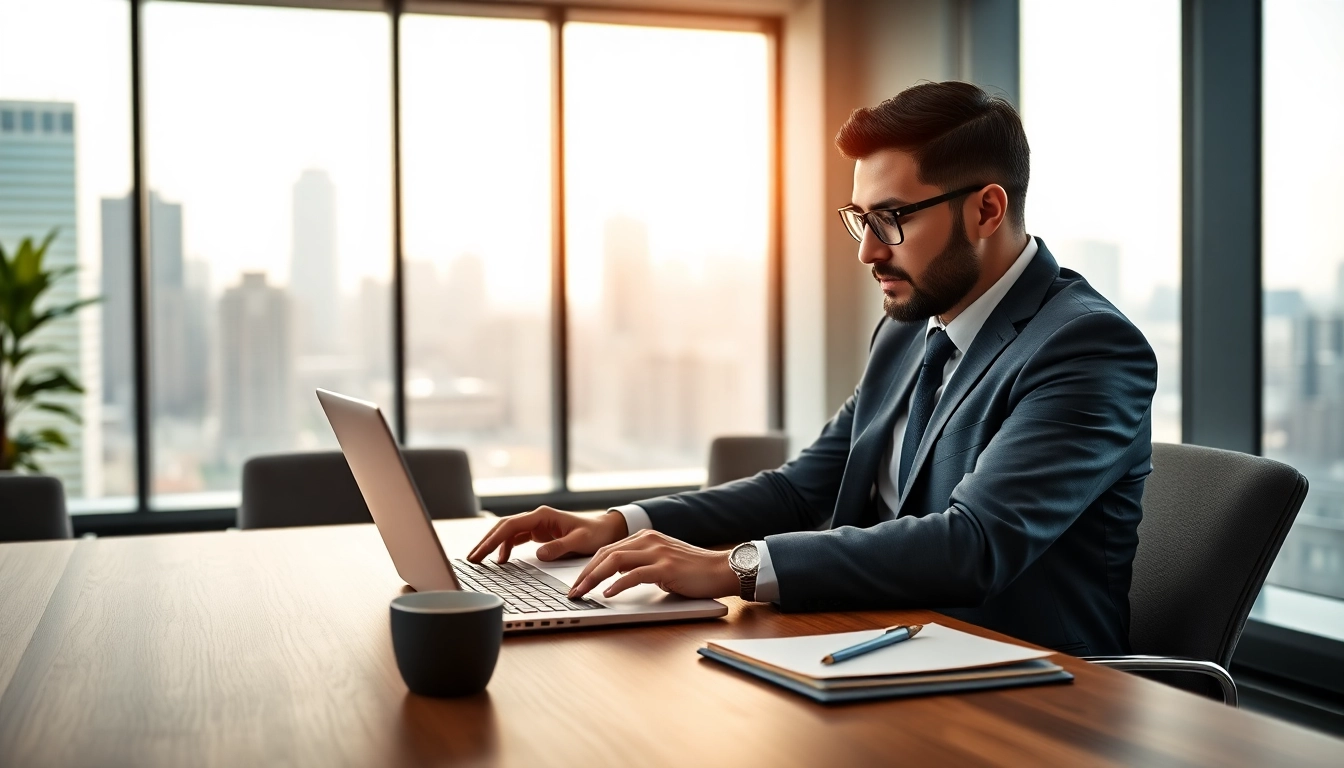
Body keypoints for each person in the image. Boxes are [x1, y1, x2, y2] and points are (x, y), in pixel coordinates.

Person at [469, 80, 1157, 655]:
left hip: (1030, 688)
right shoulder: (907, 332)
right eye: (861, 219)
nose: (868, 252)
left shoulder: (1088, 347)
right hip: (878, 646)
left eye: (891, 219)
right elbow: (802, 490)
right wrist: (619, 523)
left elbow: (975, 545)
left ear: (986, 209)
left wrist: (734, 567)